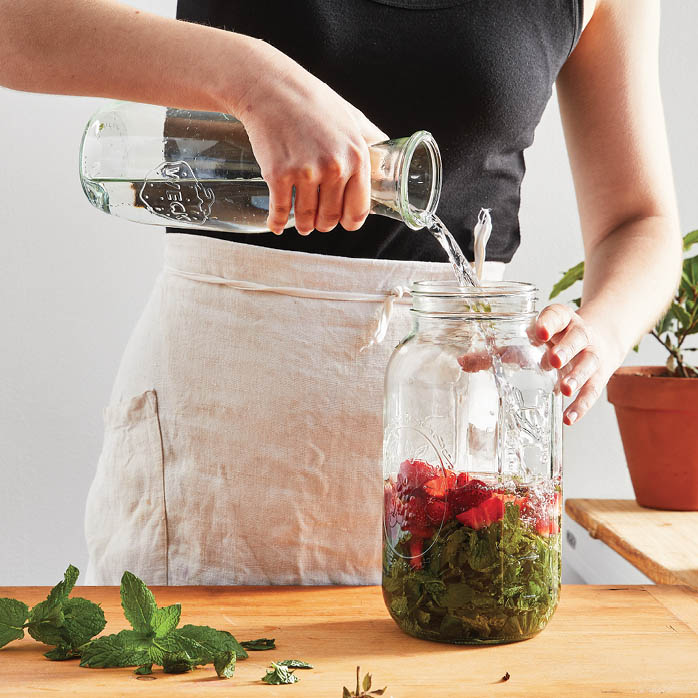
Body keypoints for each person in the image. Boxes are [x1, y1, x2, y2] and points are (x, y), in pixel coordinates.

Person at [0, 0, 681, 585]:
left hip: (452, 441)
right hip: (218, 439)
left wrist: (602, 330)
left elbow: (639, 222)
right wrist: (252, 77)